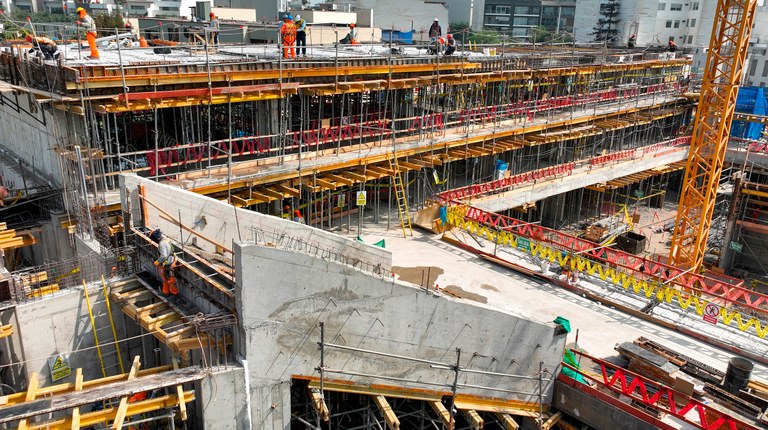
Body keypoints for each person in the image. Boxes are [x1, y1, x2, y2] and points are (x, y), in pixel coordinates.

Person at [149, 229, 178, 296]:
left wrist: (158, 261)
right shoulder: (166, 239)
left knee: (170, 280)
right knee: (165, 278)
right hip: (170, 261)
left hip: (168, 264)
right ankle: (166, 292)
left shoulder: (161, 244)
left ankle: (174, 295)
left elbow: (164, 256)